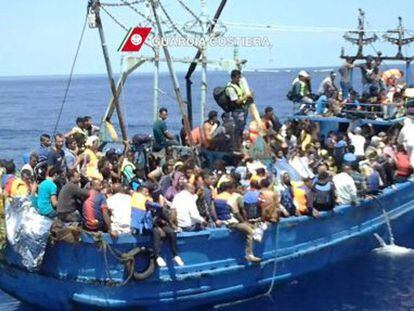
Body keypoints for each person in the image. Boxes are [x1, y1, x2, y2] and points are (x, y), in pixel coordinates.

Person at [213, 182, 261, 262]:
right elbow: (236, 213)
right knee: (251, 232)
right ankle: (249, 254)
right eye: (233, 188)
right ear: (229, 189)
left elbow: (212, 210)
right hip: (231, 222)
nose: (234, 190)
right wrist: (244, 222)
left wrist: (216, 220)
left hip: (222, 221)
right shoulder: (232, 198)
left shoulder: (216, 198)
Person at [225, 69, 252, 151]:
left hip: (243, 109)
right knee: (238, 129)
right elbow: (236, 101)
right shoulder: (230, 88)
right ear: (233, 78)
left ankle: (240, 145)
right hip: (237, 111)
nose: (239, 79)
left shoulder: (239, 84)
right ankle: (237, 146)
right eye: (237, 77)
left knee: (242, 128)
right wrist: (246, 96)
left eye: (240, 77)